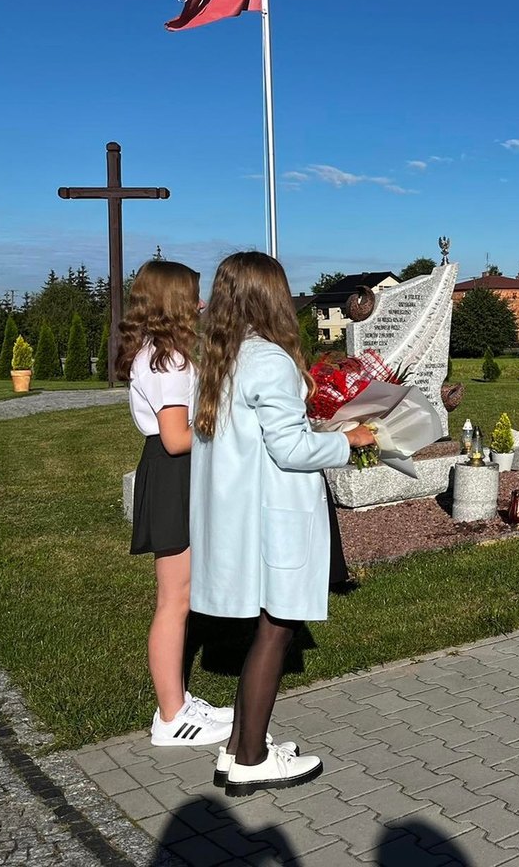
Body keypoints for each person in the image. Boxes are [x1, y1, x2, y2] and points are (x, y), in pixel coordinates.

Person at [190, 252, 376, 795]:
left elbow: (265, 436)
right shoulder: (269, 359)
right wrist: (348, 440)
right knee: (277, 629)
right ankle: (251, 759)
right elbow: (291, 449)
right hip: (273, 517)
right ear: (269, 297)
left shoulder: (222, 356)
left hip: (242, 515)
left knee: (265, 629)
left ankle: (237, 750)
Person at [115, 260, 234, 748]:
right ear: (173, 302)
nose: (202, 304)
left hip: (170, 472)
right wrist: (228, 421)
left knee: (177, 597)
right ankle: (171, 717)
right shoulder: (169, 361)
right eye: (194, 295)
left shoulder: (157, 353)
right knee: (174, 600)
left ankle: (179, 701)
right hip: (173, 472)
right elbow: (176, 439)